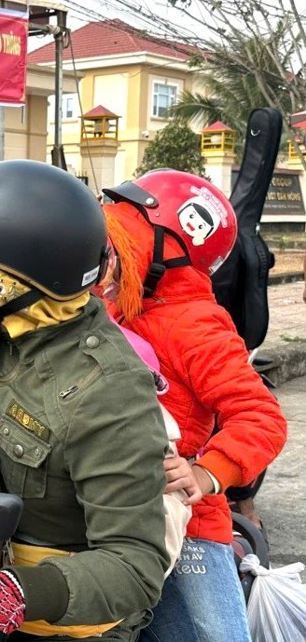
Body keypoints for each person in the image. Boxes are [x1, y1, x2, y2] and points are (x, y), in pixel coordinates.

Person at [0, 160, 170, 642]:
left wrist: (16, 592)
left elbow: (134, 565)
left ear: (8, 284)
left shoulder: (107, 392)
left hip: (63, 624)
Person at [100, 170, 286, 642]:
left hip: (188, 525)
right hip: (118, 517)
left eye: (122, 239)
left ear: (168, 252)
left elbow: (260, 416)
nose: (108, 253)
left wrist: (207, 473)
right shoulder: (117, 307)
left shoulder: (196, 324)